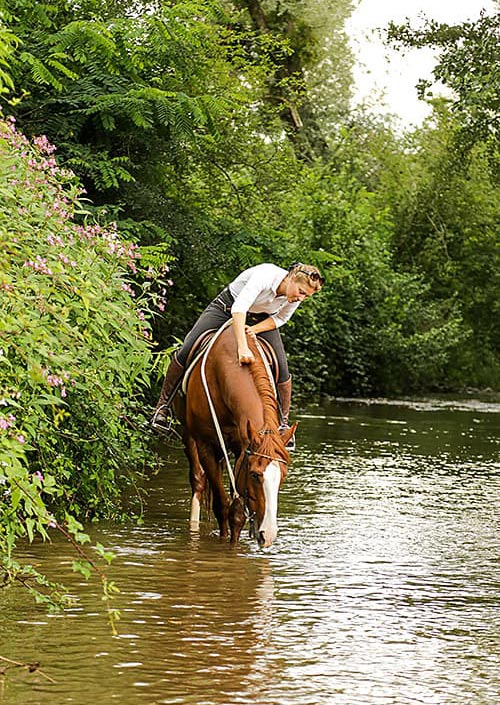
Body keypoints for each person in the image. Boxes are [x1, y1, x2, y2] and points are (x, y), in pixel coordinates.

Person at [152, 262, 324, 449]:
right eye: (300, 292)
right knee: (187, 349)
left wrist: (255, 330)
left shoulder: (295, 297)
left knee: (283, 369)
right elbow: (239, 309)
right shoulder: (265, 275)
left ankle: (282, 423)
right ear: (291, 278)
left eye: (306, 296)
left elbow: (281, 318)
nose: (301, 297)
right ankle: (163, 407)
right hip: (227, 309)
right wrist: (243, 347)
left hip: (261, 319)